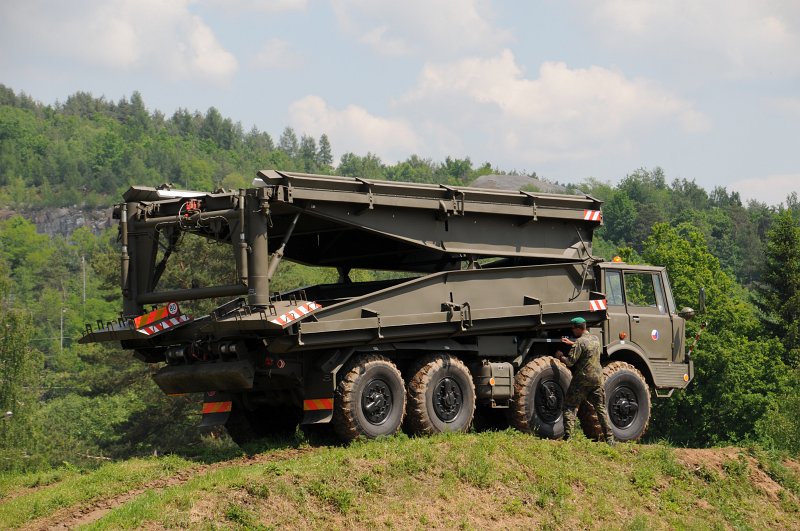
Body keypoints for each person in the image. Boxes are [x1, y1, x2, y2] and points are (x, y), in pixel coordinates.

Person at [555, 317, 616, 445]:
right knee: (600, 408)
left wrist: (560, 356)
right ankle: (610, 439)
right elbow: (587, 348)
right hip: (597, 379)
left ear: (578, 328)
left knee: (570, 406)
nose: (572, 330)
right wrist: (572, 343)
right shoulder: (595, 339)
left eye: (573, 328)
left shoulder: (579, 342)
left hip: (582, 380)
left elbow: (570, 362)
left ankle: (568, 437)